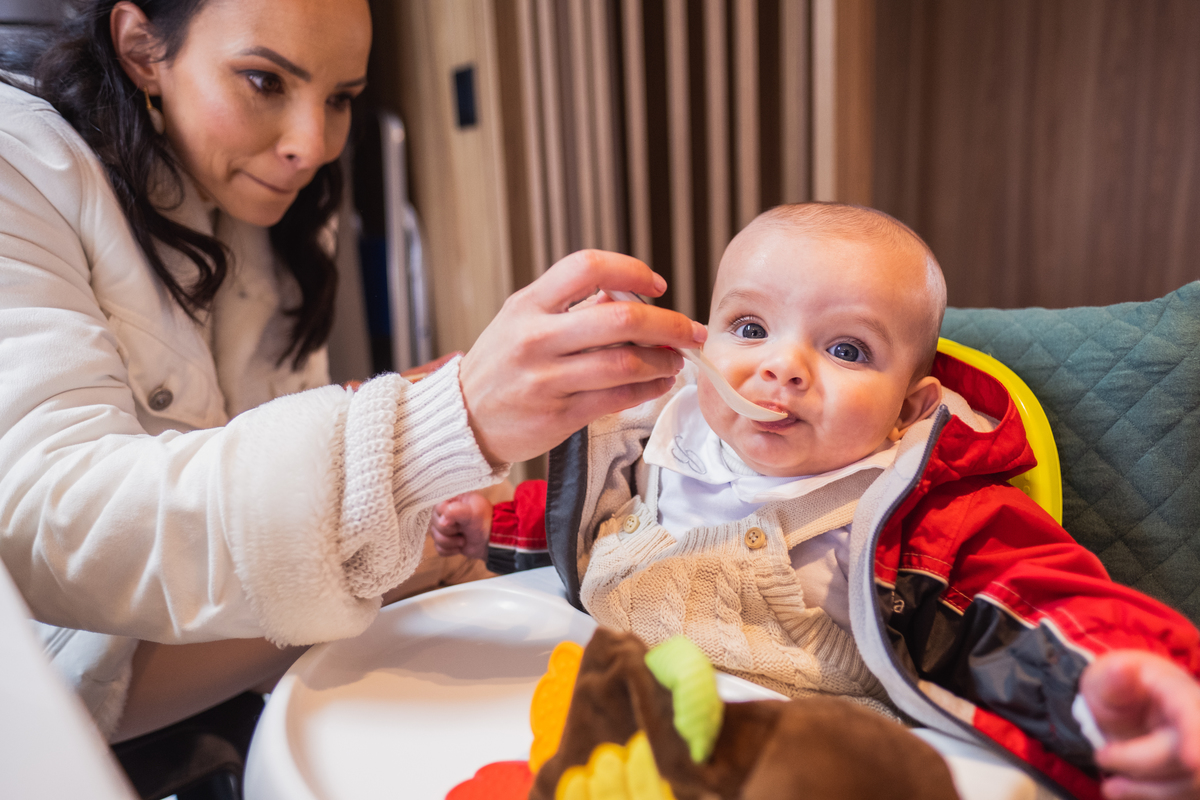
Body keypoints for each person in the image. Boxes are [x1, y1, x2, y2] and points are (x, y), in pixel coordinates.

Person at [0, 0, 705, 744]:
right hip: (58, 669)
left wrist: (406, 418)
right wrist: (430, 427)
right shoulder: (21, 162)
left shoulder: (269, 198)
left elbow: (257, 430)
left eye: (339, 99)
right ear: (143, 47)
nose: (313, 144)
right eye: (264, 81)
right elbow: (47, 518)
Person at [431, 203, 1200, 800]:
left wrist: (1131, 684)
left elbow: (1046, 602)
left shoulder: (923, 514)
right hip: (622, 730)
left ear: (911, 405)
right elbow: (597, 525)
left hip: (797, 761)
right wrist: (495, 527)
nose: (781, 367)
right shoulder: (655, 441)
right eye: (751, 326)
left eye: (845, 349)